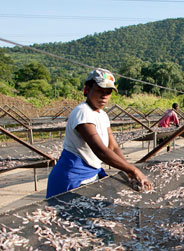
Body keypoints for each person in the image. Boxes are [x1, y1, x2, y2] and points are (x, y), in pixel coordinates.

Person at [46, 68, 152, 198]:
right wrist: (133, 170)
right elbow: (100, 150)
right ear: (87, 89)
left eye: (108, 92)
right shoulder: (83, 112)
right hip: (71, 177)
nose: (104, 96)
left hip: (90, 174)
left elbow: (112, 147)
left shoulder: (103, 115)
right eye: (99, 91)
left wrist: (128, 170)